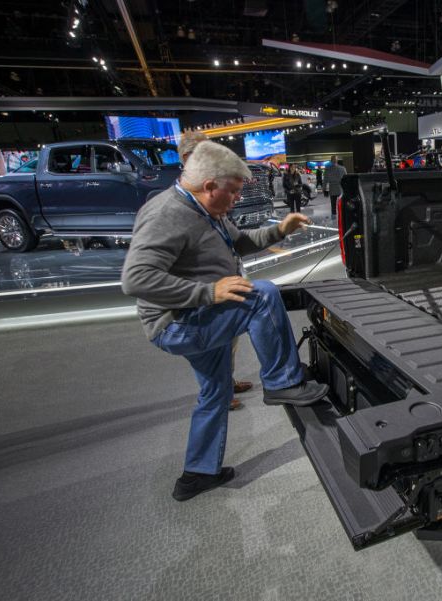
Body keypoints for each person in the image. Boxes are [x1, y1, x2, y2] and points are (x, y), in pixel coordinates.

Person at [122, 141, 328, 501]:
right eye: (232, 191)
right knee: (260, 295)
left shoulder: (205, 211)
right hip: (178, 324)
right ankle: (282, 382)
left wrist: (281, 229)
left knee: (215, 392)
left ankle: (197, 474)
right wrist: (208, 293)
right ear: (209, 186)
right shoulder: (167, 214)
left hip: (198, 318)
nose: (235, 199)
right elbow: (135, 279)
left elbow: (242, 243)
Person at [178, 131, 252, 409]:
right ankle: (217, 393)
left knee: (228, 336)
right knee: (210, 341)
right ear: (187, 158)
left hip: (225, 274)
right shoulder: (182, 196)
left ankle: (226, 383)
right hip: (203, 284)